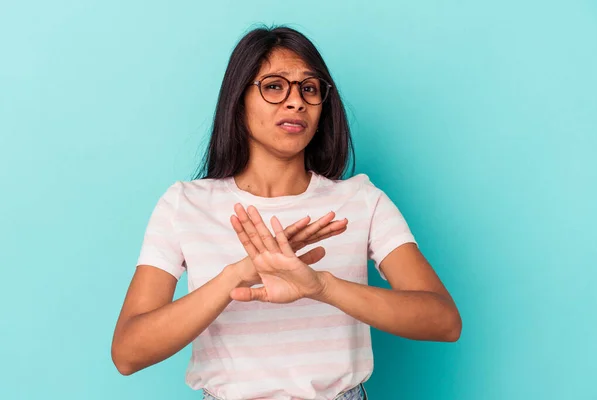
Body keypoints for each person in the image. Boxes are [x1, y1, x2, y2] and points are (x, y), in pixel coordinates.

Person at [111, 25, 462, 400]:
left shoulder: (360, 200)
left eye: (309, 89)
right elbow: (129, 353)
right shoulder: (185, 204)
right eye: (274, 86)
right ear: (238, 98)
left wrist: (323, 287)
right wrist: (239, 275)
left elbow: (443, 320)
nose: (296, 102)